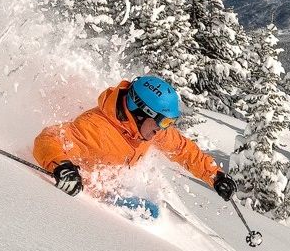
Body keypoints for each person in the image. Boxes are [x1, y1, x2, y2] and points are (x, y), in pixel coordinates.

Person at [33, 75, 237, 207]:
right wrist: (62, 166)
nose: (162, 129)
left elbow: (183, 149)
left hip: (111, 194)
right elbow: (48, 138)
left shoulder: (148, 130)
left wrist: (215, 176)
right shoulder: (94, 128)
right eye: (163, 121)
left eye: (169, 123)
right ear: (141, 112)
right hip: (83, 200)